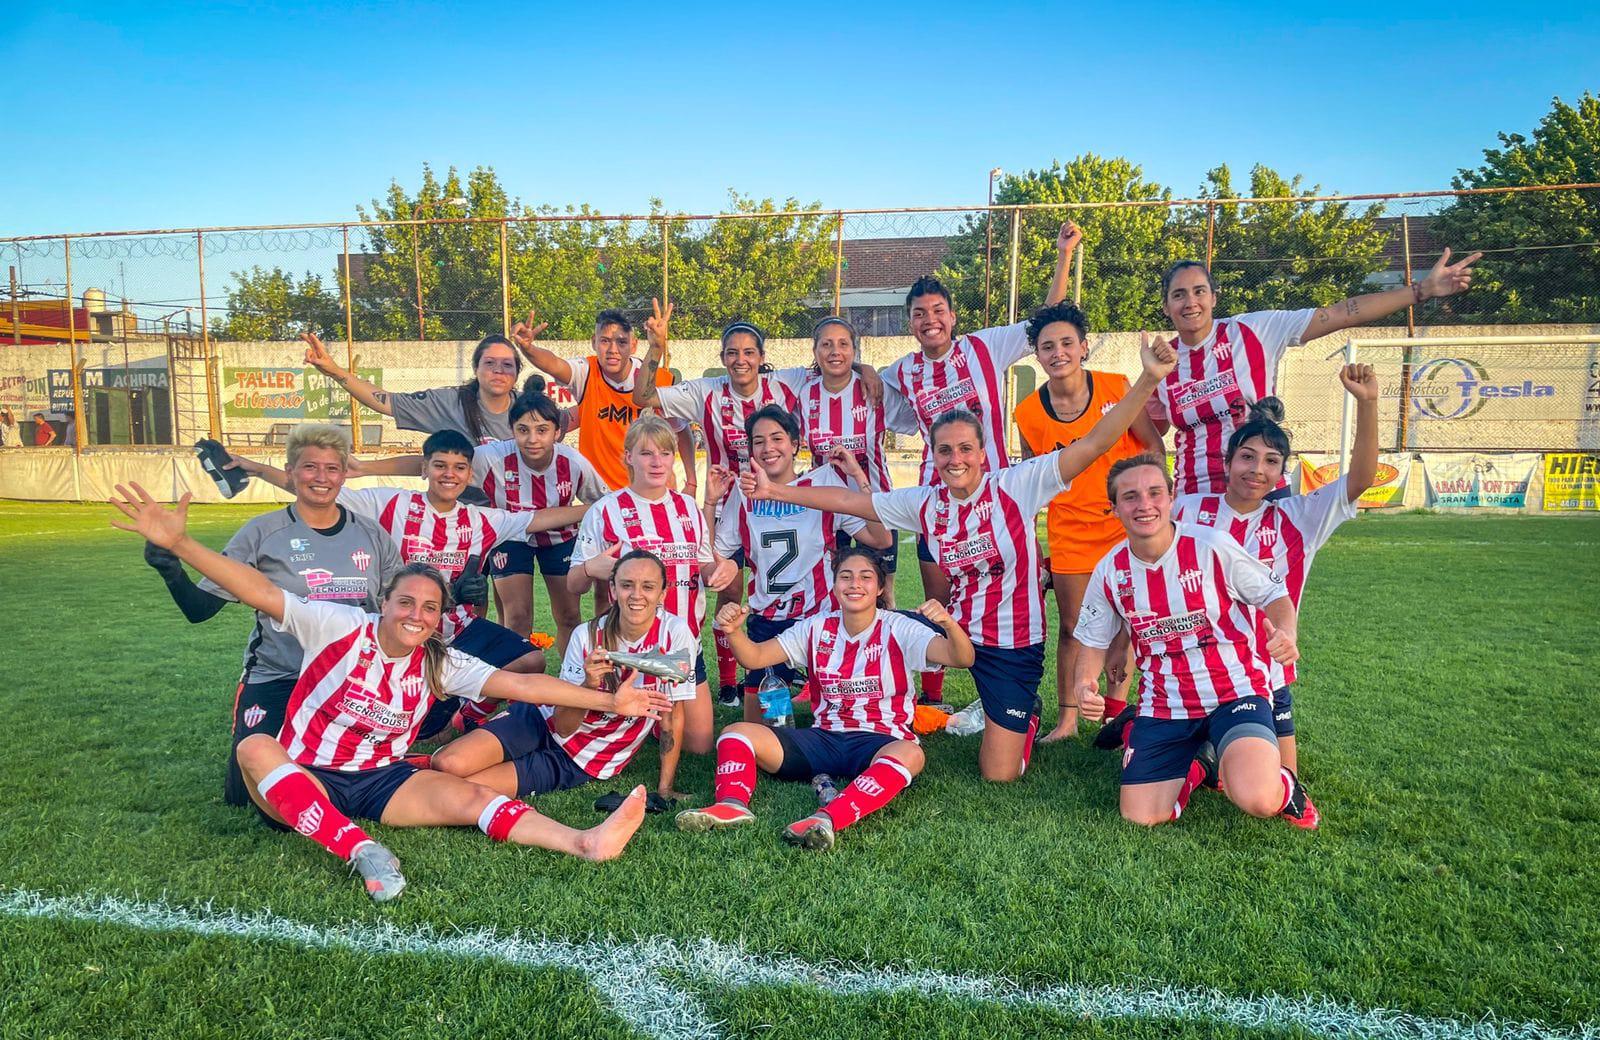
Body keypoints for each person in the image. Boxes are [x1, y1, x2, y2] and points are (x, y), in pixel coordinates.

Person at [110, 482, 671, 901]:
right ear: (386, 601)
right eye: (406, 602)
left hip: (382, 779)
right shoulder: (336, 625)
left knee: (471, 799)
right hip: (309, 775)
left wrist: (611, 701)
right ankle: (360, 849)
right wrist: (181, 544)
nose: (416, 615)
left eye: (430, 608)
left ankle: (585, 842)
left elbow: (523, 682)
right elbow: (257, 589)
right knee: (255, 748)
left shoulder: (439, 659)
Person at [741, 334, 1176, 782]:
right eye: (944, 450)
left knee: (999, 774)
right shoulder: (927, 501)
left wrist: (1147, 379)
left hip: (1012, 643)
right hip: (953, 631)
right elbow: (851, 503)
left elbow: (1095, 443)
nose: (955, 459)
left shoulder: (1016, 485)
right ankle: (864, 721)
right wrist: (775, 490)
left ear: (982, 452)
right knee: (876, 627)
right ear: (933, 454)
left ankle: (1024, 716)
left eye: (965, 448)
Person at [225, 427, 589, 733]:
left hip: (455, 627)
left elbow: (541, 518)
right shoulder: (390, 504)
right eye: (440, 466)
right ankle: (415, 716)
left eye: (459, 467)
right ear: (424, 469)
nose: (449, 474)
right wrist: (256, 469)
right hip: (402, 629)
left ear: (469, 474)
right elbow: (323, 488)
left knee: (530, 660)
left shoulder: (481, 519)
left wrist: (606, 504)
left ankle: (457, 727)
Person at [142, 424, 401, 806]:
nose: (322, 478)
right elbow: (200, 609)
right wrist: (171, 569)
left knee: (342, 784)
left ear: (344, 474)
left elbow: (400, 606)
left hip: (348, 682)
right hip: (279, 674)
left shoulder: (371, 534)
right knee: (245, 797)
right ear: (291, 471)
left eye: (332, 469)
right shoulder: (262, 532)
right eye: (310, 467)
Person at [880, 221, 1082, 702]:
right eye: (919, 313)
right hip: (939, 502)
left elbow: (1046, 318)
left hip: (998, 497)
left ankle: (1009, 692)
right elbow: (863, 382)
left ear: (952, 317)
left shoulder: (984, 347)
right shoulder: (903, 371)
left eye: (938, 311)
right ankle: (931, 698)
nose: (929, 319)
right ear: (910, 322)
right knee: (940, 602)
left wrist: (1063, 256)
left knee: (1008, 597)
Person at [1072, 455, 1317, 829]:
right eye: (1130, 497)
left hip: (1233, 692)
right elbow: (1092, 641)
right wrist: (1084, 684)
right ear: (1115, 508)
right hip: (1165, 704)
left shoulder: (1211, 545)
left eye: (1155, 492)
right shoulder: (1109, 571)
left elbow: (1274, 594)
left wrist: (1286, 631)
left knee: (1257, 798)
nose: (1144, 505)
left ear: (1171, 496)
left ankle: (1288, 788)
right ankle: (1200, 763)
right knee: (1140, 816)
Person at [676, 547, 975, 849]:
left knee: (911, 754)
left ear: (880, 587)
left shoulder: (899, 626)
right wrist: (734, 631)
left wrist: (949, 625)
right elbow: (755, 657)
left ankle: (827, 818)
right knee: (736, 733)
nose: (854, 584)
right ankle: (731, 804)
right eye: (845, 577)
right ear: (835, 585)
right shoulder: (816, 627)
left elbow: (961, 657)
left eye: (865, 577)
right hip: (824, 738)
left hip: (880, 739)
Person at [1167, 365, 1380, 779]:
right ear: (1228, 461)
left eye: (1271, 461)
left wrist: (1368, 404)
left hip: (1265, 671)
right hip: (1194, 666)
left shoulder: (1299, 518)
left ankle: (1219, 758)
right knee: (1171, 776)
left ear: (1282, 472)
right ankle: (1192, 746)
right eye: (1247, 457)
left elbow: (1361, 478)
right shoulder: (1188, 510)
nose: (1256, 470)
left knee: (1279, 783)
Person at [1153, 247, 1479, 496]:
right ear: (1166, 306)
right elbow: (1150, 433)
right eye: (1178, 295)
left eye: (1199, 291)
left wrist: (1420, 291)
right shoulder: (1160, 363)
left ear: (1213, 296)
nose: (1190, 302)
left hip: (1263, 492)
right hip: (1194, 499)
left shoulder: (1255, 330)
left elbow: (1340, 313)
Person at [633, 301, 810, 706]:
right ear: (723, 358)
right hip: (728, 504)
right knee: (727, 589)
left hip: (777, 501)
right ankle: (731, 682)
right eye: (732, 352)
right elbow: (642, 395)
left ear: (762, 358)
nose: (741, 360)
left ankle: (793, 674)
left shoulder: (788, 384)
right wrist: (656, 348)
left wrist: (867, 372)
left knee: (782, 588)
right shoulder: (704, 392)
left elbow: (837, 369)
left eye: (749, 352)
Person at [431, 550, 698, 806]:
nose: (636, 595)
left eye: (648, 587)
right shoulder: (587, 635)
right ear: (613, 590)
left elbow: (672, 716)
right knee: (448, 764)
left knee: (468, 788)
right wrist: (589, 685)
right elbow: (563, 725)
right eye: (627, 585)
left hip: (585, 757)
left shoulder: (674, 634)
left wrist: (665, 788)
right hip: (540, 719)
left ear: (663, 593)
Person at [1010, 300, 1163, 744]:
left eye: (1066, 343)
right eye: (1046, 346)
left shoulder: (1118, 388)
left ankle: (1115, 717)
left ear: (1083, 347)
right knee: (1074, 628)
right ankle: (1069, 719)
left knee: (1131, 623)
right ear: (1036, 354)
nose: (1058, 353)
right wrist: (1033, 546)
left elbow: (1153, 451)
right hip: (1070, 531)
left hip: (1124, 527)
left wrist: (1146, 509)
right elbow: (1033, 481)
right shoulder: (1028, 413)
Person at [568, 415, 738, 797]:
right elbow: (574, 584)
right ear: (628, 456)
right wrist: (591, 568)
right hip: (625, 652)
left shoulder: (687, 509)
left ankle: (653, 719)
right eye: (646, 453)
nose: (657, 462)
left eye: (665, 452)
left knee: (698, 746)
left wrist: (720, 568)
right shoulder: (606, 511)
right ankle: (637, 717)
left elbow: (704, 563)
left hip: (682, 648)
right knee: (614, 722)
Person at [707, 405, 893, 721]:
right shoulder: (744, 492)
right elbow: (712, 557)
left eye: (777, 438)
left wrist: (858, 477)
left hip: (821, 618)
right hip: (769, 619)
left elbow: (881, 537)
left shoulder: (821, 486)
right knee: (763, 725)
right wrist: (710, 501)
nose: (768, 448)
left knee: (846, 717)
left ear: (795, 444)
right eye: (758, 441)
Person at [471, 384, 609, 655]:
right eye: (523, 430)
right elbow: (439, 462)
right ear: (511, 430)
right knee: (518, 618)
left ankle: (572, 683)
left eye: (542, 430)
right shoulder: (490, 458)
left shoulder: (573, 462)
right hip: (511, 538)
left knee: (569, 616)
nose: (532, 439)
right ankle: (518, 689)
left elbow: (604, 502)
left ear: (557, 432)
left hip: (560, 539)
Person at [509, 307, 694, 494]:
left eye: (621, 342)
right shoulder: (586, 372)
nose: (613, 350)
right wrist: (528, 348)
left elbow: (681, 429)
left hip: (649, 492)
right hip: (601, 494)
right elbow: (554, 364)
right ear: (594, 342)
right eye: (605, 341)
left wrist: (692, 482)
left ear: (634, 345)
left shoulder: (658, 379)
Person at [798, 316, 911, 607]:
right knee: (828, 589)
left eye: (843, 344)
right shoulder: (802, 393)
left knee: (881, 592)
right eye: (826, 344)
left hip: (875, 503)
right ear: (815, 352)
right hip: (825, 509)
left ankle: (882, 651)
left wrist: (867, 371)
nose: (835, 351)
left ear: (854, 351)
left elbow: (919, 420)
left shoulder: (875, 390)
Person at [303, 331, 527, 444]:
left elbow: (561, 422)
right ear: (475, 368)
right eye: (489, 363)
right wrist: (335, 371)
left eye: (507, 364)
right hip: (466, 517)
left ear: (517, 372)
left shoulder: (529, 409)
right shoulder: (449, 402)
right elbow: (387, 402)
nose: (499, 370)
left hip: (517, 518)